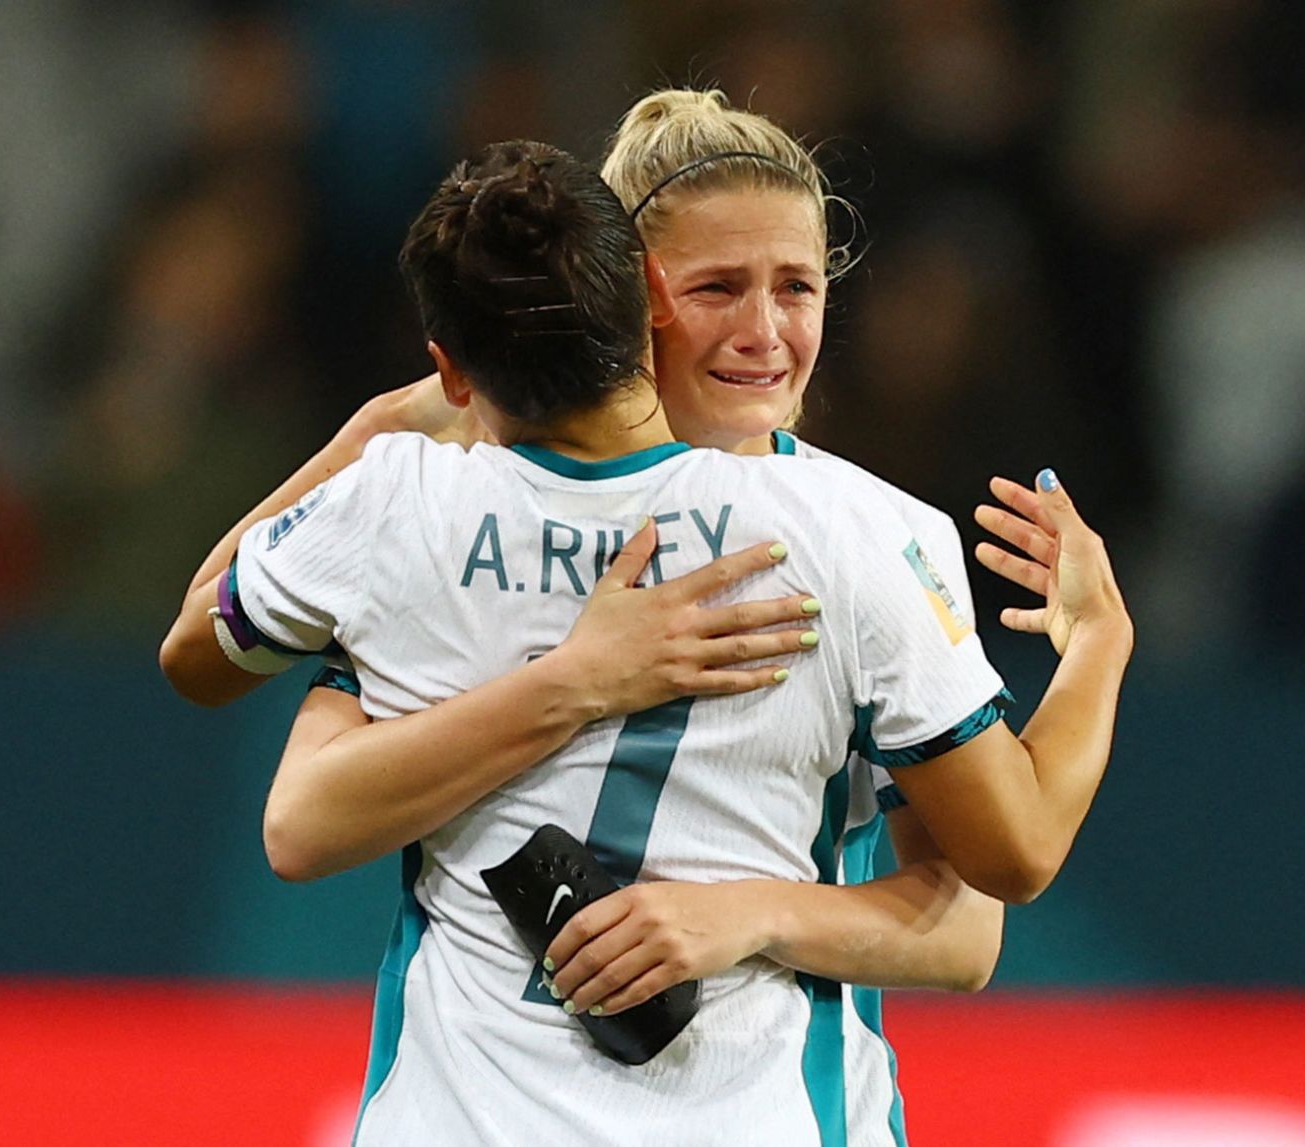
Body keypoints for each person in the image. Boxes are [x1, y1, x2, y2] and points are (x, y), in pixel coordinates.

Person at [160, 133, 1130, 1144]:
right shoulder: (857, 535)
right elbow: (303, 820)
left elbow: (964, 926)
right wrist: (1100, 639)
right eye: (715, 288)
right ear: (635, 299)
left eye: (796, 287)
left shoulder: (412, 498)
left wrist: (746, 913)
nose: (763, 331)